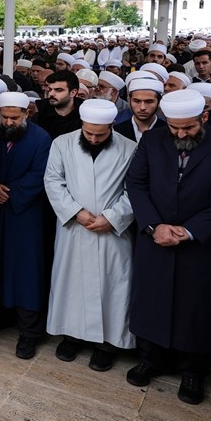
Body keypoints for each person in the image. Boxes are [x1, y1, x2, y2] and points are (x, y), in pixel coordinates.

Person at [125, 88, 211, 404]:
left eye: (188, 128)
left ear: (204, 117)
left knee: (197, 308)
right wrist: (154, 225)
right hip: (156, 238)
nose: (180, 133)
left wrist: (191, 231)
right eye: (174, 127)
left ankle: (194, 371)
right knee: (152, 299)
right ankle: (150, 358)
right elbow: (136, 184)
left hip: (202, 244)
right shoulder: (152, 141)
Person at [44, 98, 137, 371]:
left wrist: (113, 217)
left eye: (101, 134)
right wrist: (75, 212)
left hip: (113, 232)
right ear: (81, 125)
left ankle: (106, 345)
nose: (94, 139)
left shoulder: (130, 148)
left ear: (111, 127)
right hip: (75, 228)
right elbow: (52, 181)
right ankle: (72, 336)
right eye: (89, 134)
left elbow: (135, 189)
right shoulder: (61, 143)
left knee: (112, 286)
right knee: (72, 286)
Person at [0, 92, 53, 359]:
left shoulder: (41, 138)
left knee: (26, 271)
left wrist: (10, 192)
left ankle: (29, 332)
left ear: (27, 114)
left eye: (15, 117)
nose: (10, 122)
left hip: (26, 215)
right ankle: (1, 315)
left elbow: (41, 173)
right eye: (6, 118)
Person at [35, 70, 83, 139]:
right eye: (50, 89)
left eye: (58, 90)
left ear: (73, 92)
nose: (51, 94)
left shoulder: (84, 117)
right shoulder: (39, 115)